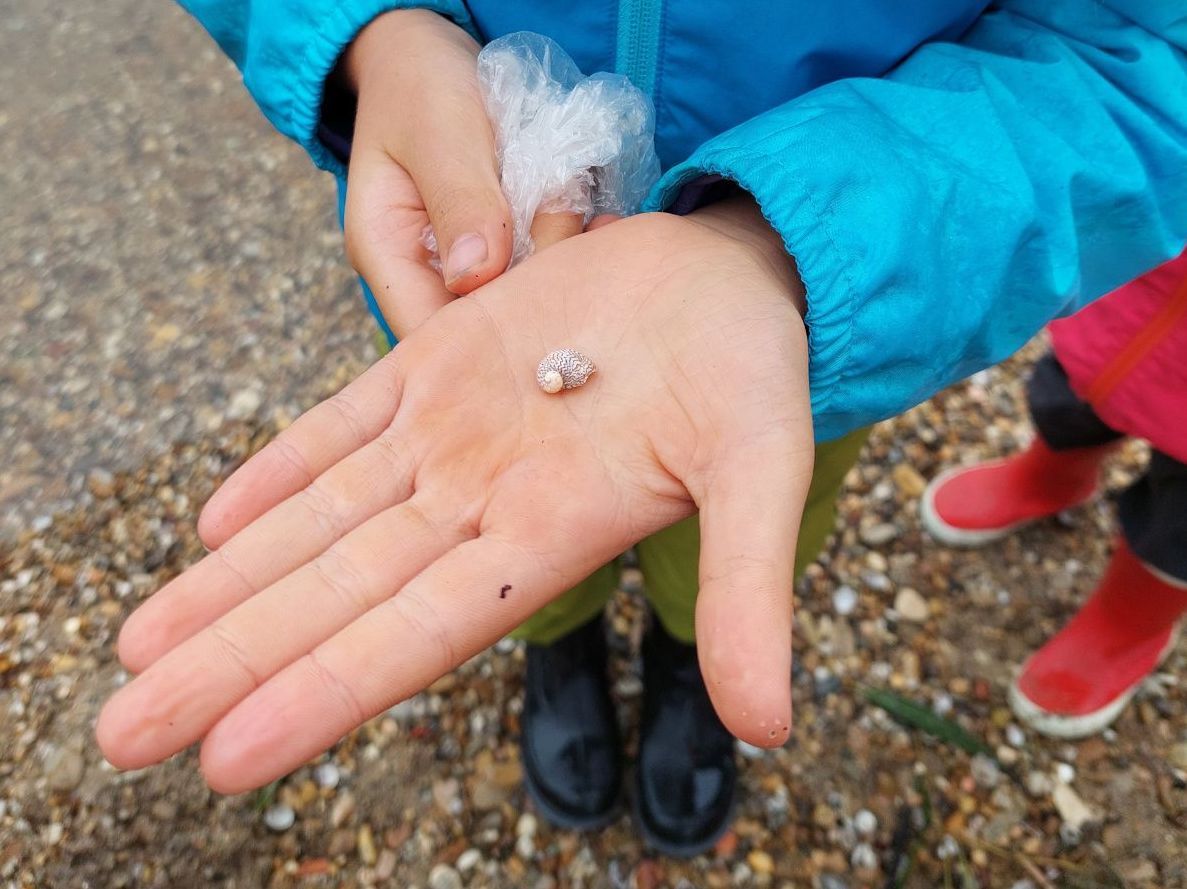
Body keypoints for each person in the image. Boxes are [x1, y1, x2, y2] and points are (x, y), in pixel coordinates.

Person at [96, 1, 1187, 856]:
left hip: (822, 312)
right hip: (465, 286)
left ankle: (681, 657)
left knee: (748, 523)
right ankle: (554, 641)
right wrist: (368, 29)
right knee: (488, 519)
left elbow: (1146, 44)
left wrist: (799, 241)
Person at [922, 251, 1187, 739]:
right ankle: (1053, 477)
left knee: (1180, 521)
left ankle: (1131, 621)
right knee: (1074, 384)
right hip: (1139, 276)